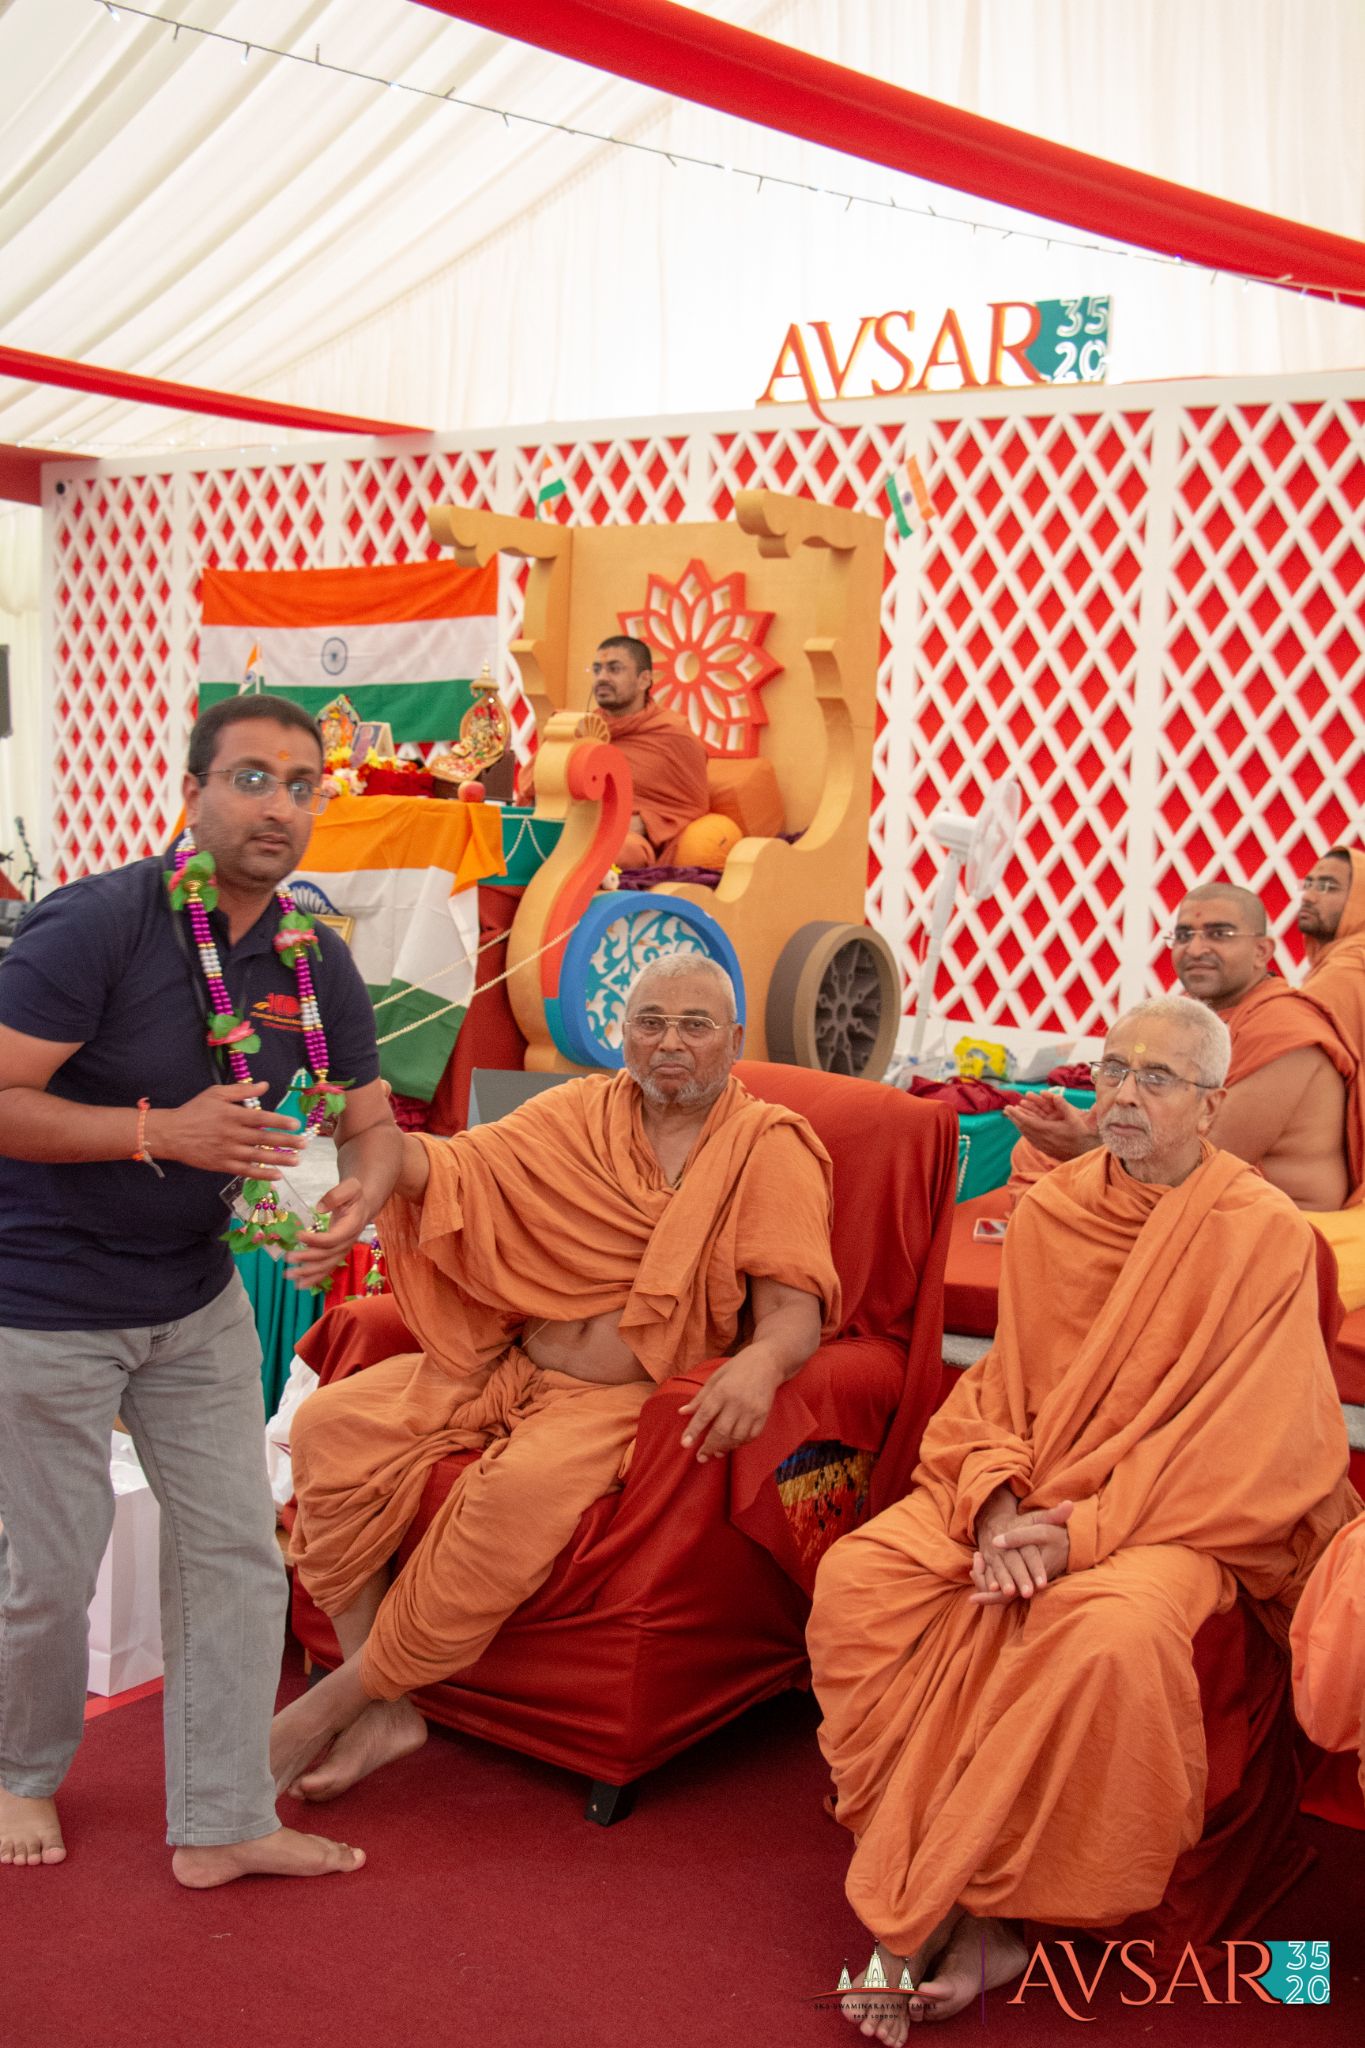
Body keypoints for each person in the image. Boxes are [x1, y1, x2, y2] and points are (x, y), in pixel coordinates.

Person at [810, 997, 1355, 2038]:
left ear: (1214, 1104)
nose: (1124, 1096)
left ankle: (974, 1911)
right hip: (1031, 1487)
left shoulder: (1264, 1237)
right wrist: (1000, 1498)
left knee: (1102, 1632)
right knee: (865, 1580)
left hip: (1181, 1521)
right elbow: (1007, 1390)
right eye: (1112, 1070)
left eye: (1157, 1079)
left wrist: (1083, 1535)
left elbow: (1266, 1450)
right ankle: (927, 1857)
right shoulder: (1055, 1211)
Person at [269, 952, 839, 1802]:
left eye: (694, 1025)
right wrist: (366, 1180)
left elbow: (794, 1311)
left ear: (734, 1039)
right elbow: (454, 1169)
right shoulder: (579, 1111)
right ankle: (386, 1707)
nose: (669, 1044)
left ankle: (330, 1707)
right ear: (621, 1034)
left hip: (624, 1398)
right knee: (330, 1426)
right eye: (649, 1023)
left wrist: (758, 1362)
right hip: (506, 1362)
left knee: (514, 1495)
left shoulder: (768, 1147)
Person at [0, 693, 402, 1884]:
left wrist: (356, 1203)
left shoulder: (312, 954)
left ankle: (221, 1817)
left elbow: (372, 1125)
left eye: (302, 784)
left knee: (238, 1552)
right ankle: (20, 1771)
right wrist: (155, 1130)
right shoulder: (99, 924)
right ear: (194, 790)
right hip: (45, 1300)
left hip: (195, 1298)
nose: (280, 803)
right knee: (51, 1566)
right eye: (253, 778)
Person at [1006, 882, 1361, 1213]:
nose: (1196, 949)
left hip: (1271, 1218)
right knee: (1033, 1153)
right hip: (1193, 1195)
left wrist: (1081, 1148)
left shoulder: (1286, 1029)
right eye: (1183, 935)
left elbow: (1212, 1162)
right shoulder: (1193, 1019)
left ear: (1261, 951)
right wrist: (1085, 1132)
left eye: (1220, 934)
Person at [522, 635, 711, 867]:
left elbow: (691, 805)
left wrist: (644, 823)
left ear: (644, 680)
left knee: (615, 851)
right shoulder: (581, 729)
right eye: (597, 669)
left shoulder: (673, 735)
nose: (602, 678)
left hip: (626, 838)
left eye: (614, 669)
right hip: (566, 826)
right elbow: (534, 782)